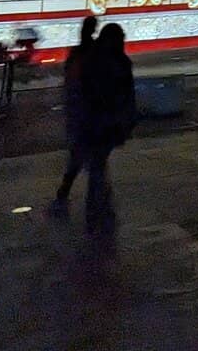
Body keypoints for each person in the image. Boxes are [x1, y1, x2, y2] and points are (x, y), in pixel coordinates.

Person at [82, 23, 137, 233]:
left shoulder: (97, 59)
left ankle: (98, 203)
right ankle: (100, 204)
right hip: (107, 120)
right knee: (98, 162)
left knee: (97, 162)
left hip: (98, 120)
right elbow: (125, 94)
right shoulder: (117, 62)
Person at [49, 15, 98, 214]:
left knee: (78, 156)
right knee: (93, 158)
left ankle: (66, 190)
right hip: (90, 112)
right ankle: (95, 197)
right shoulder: (94, 52)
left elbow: (70, 80)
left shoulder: (77, 52)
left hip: (78, 111)